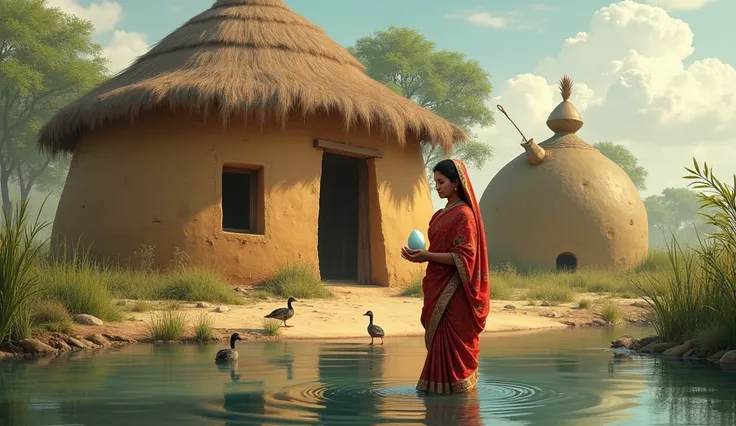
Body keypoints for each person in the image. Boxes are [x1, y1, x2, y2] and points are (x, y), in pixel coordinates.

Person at [401, 159, 490, 394]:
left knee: (454, 346)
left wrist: (427, 255)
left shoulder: (464, 215)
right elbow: (439, 250)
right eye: (435, 182)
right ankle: (438, 396)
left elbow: (464, 257)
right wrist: (422, 255)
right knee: (439, 343)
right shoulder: (440, 215)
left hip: (455, 293)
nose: (437, 187)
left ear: (456, 182)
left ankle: (458, 407)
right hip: (438, 286)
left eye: (441, 182)